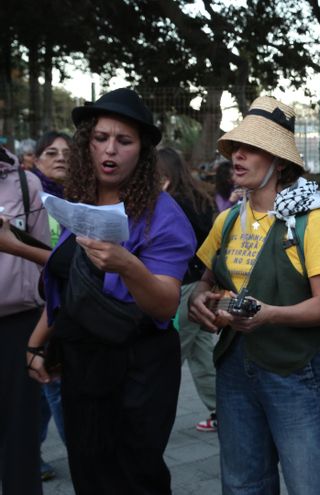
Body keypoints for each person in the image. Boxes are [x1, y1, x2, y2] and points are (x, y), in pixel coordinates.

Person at [25, 88, 196, 494]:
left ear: (142, 151)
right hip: (83, 364)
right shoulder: (79, 202)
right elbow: (70, 286)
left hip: (138, 368)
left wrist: (128, 265)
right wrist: (35, 346)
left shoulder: (163, 214)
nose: (111, 149)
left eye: (124, 141)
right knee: (88, 473)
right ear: (87, 144)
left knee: (135, 480)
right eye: (101, 138)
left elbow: (165, 304)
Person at [187, 96, 320, 494]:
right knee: (242, 484)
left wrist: (269, 315)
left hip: (293, 369)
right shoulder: (227, 219)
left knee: (310, 485)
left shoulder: (314, 221)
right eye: (236, 147)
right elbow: (204, 281)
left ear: (278, 161)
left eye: (251, 148)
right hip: (234, 368)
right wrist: (198, 299)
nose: (237, 155)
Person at [156, 147, 218, 432]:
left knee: (169, 355)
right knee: (202, 354)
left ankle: (152, 414)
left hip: (185, 286)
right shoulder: (200, 198)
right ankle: (222, 410)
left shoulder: (171, 204)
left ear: (164, 175)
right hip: (201, 282)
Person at [0, 146, 50, 494]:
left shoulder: (24, 182)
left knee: (20, 438)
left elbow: (47, 258)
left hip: (19, 324)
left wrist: (40, 339)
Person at [31, 130, 74, 480]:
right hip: (36, 304)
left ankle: (32, 451)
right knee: (54, 383)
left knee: (45, 381)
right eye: (51, 152)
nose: (60, 157)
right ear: (35, 160)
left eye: (66, 152)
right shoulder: (31, 199)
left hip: (68, 303)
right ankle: (79, 453)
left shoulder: (78, 198)